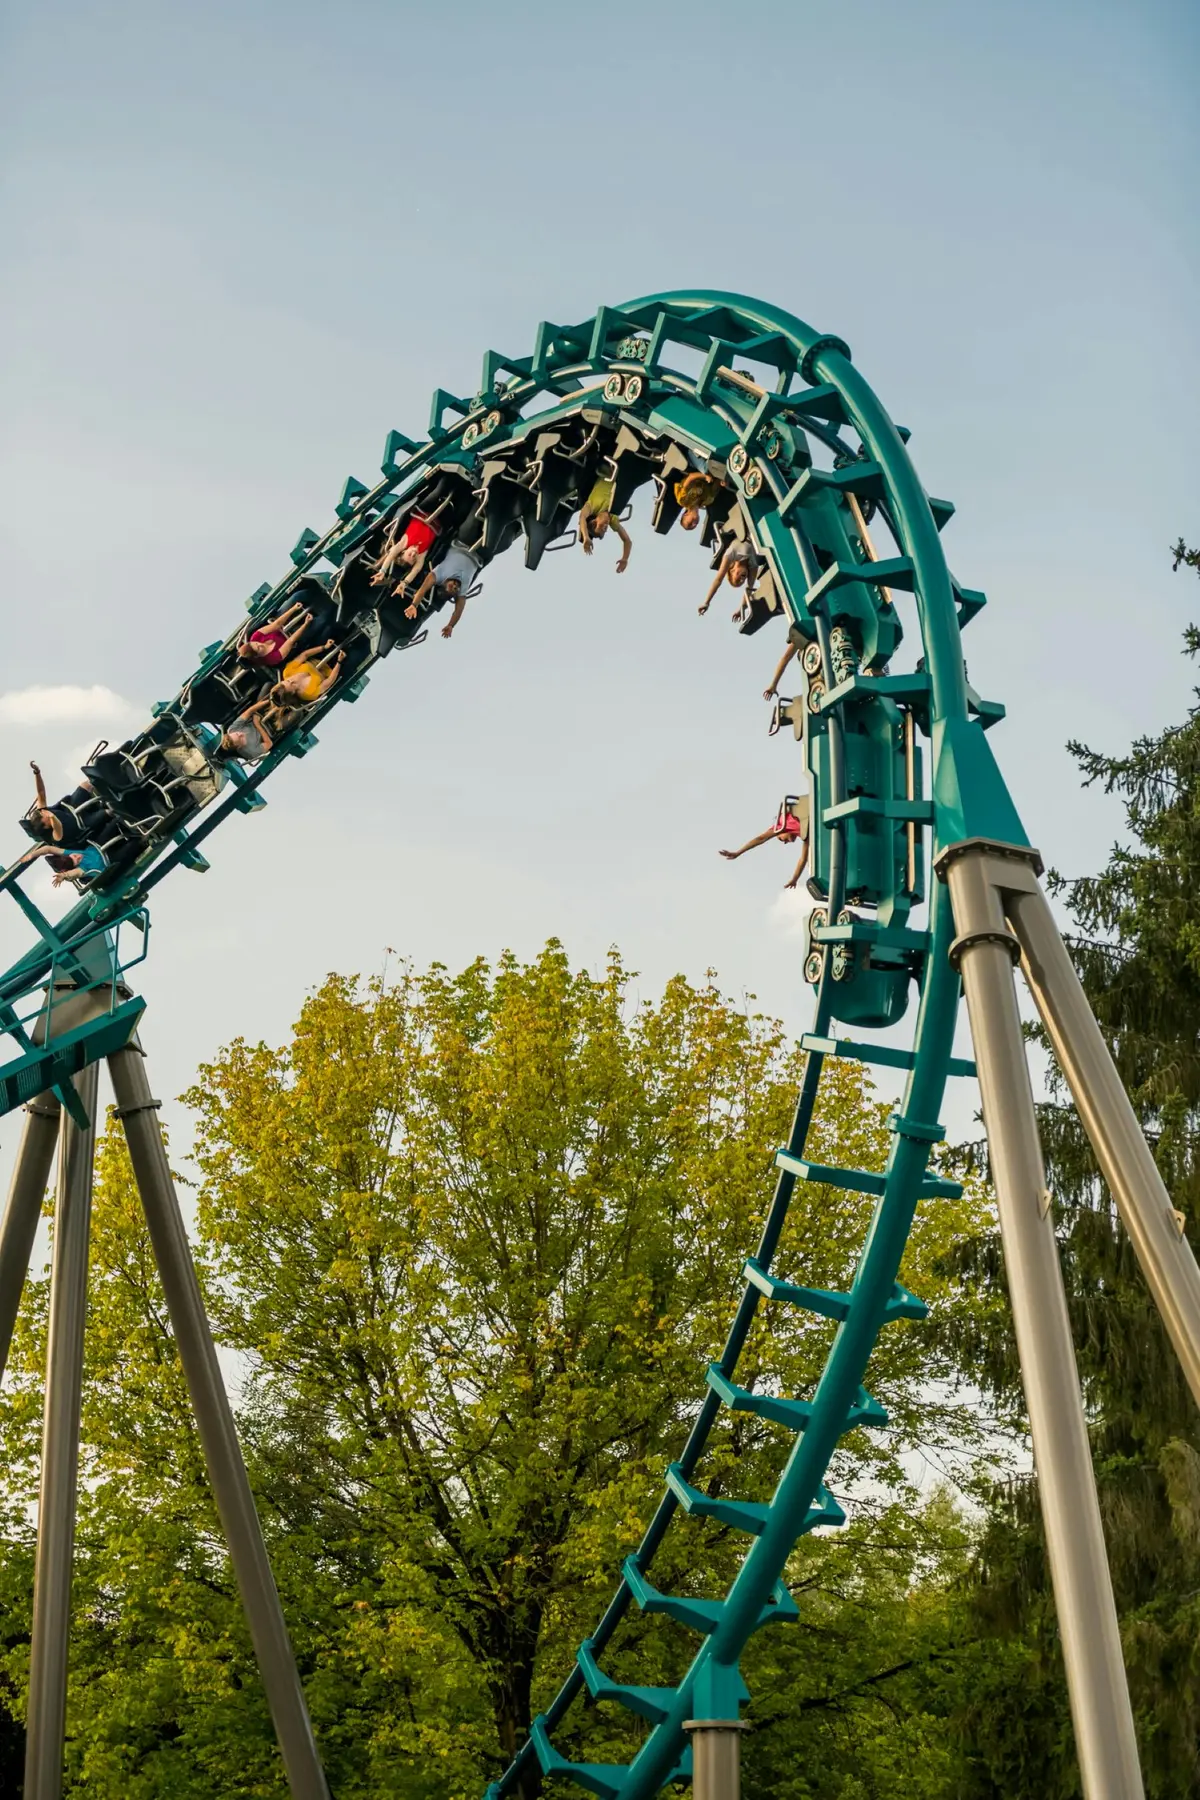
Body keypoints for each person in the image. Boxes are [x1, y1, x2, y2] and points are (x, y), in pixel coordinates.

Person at [719, 795, 811, 890]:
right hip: (814, 823)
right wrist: (794, 879)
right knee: (811, 859)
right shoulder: (805, 835)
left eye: (780, 839)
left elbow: (761, 838)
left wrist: (739, 852)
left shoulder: (782, 825)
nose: (785, 843)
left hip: (811, 810)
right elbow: (803, 859)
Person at [404, 543, 481, 640]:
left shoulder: (438, 575)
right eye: (455, 589)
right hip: (479, 554)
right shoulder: (462, 590)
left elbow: (422, 590)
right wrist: (451, 625)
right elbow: (458, 610)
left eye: (451, 586)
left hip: (463, 543)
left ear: (444, 584)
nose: (455, 586)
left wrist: (414, 604)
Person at [25, 763, 96, 847]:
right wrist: (51, 816)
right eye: (44, 817)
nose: (45, 814)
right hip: (81, 824)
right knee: (107, 812)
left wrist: (37, 773)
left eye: (43, 813)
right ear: (46, 827)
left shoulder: (42, 812)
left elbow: (41, 792)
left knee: (86, 784)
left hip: (71, 808)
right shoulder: (53, 837)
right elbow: (58, 827)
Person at [236, 602, 314, 670]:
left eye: (254, 643)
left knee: (297, 597)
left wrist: (294, 608)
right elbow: (291, 641)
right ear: (257, 656)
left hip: (282, 624)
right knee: (320, 621)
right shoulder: (272, 659)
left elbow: (276, 624)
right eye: (258, 648)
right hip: (294, 636)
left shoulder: (254, 637)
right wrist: (306, 623)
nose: (259, 644)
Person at [579, 472, 631, 571]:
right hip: (623, 477)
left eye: (602, 527)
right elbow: (627, 540)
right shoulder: (613, 519)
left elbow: (582, 517)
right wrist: (625, 558)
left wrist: (586, 537)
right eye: (605, 530)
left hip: (609, 470)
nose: (606, 527)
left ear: (594, 522)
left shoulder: (592, 506)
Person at [371, 514, 439, 588]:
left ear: (403, 551)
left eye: (409, 554)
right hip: (440, 519)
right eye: (414, 558)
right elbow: (415, 571)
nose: (414, 553)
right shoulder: (421, 554)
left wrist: (382, 571)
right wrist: (405, 583)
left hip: (425, 510)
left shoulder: (404, 542)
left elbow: (391, 555)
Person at [270, 644, 346, 707]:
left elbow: (305, 655)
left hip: (320, 656)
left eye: (287, 680)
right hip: (334, 669)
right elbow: (329, 681)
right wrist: (339, 661)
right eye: (291, 683)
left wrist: (324, 647)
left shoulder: (287, 672)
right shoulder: (308, 694)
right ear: (293, 692)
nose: (291, 680)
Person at [699, 538, 760, 615]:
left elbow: (718, 580)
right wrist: (742, 609)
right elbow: (749, 589)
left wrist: (706, 602)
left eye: (738, 579)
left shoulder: (731, 555)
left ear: (732, 571)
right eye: (742, 581)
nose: (742, 580)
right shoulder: (753, 566)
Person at [19, 843, 109, 887]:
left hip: (102, 846)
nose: (78, 856)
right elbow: (75, 873)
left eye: (75, 855)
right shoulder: (83, 869)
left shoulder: (70, 853)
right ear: (76, 866)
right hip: (110, 858)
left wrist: (32, 854)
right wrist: (63, 875)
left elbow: (48, 849)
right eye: (77, 860)